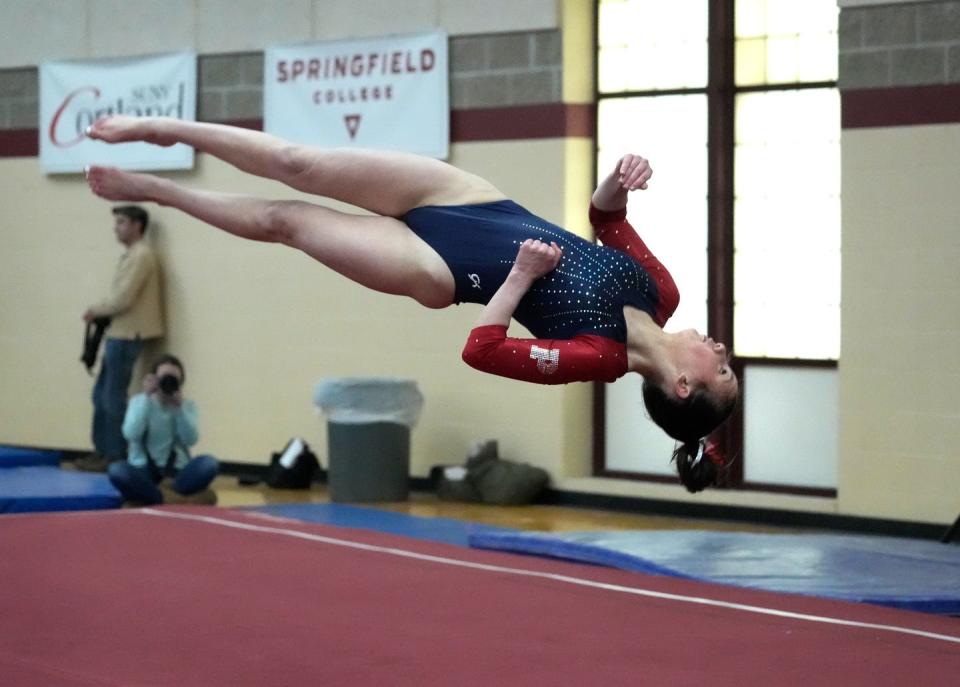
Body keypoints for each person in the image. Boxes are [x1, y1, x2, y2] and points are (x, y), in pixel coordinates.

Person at [84, 116, 738, 492]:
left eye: (722, 372)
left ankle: (161, 192)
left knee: (287, 220)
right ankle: (164, 131)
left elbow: (482, 349)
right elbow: (604, 216)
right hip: (473, 201)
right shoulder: (663, 291)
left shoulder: (598, 356)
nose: (722, 352)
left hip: (441, 270)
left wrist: (518, 279)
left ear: (682, 386)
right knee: (298, 161)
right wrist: (618, 177)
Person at [76, 204, 164, 472]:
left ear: (138, 225)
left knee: (112, 396)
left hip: (128, 334)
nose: (116, 227)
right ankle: (102, 451)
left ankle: (114, 454)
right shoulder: (133, 255)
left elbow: (123, 298)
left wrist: (96, 309)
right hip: (120, 332)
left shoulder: (142, 256)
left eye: (122, 222)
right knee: (102, 394)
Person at [107, 354, 219, 505]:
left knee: (209, 464)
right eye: (164, 378)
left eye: (174, 380)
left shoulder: (187, 406)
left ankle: (153, 498)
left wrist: (179, 410)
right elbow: (131, 434)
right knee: (117, 470)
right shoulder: (139, 401)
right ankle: (175, 499)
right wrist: (146, 398)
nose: (168, 383)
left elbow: (190, 440)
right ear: (154, 379)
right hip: (143, 469)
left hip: (177, 472)